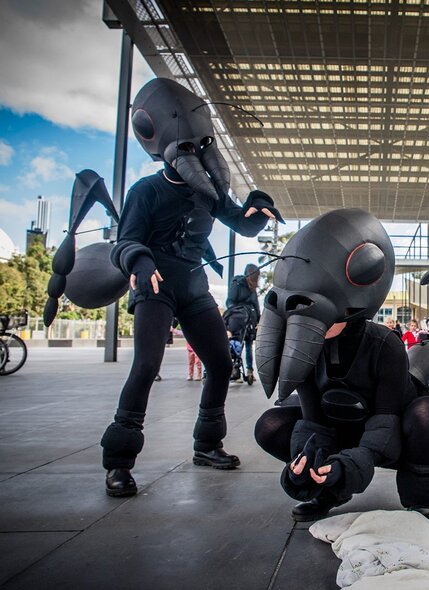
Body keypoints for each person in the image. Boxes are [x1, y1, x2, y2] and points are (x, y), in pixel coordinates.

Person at [100, 78, 282, 497]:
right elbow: (124, 242)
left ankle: (207, 445)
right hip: (155, 286)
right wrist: (140, 260)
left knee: (219, 362)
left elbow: (242, 223)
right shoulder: (145, 191)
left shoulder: (209, 194)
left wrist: (258, 208)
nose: (196, 152)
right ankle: (118, 463)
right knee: (146, 366)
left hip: (195, 288)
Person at [253, 209, 429, 525]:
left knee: (428, 416)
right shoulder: (306, 346)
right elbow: (312, 419)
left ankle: (419, 499)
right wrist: (308, 462)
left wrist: (353, 464)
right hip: (338, 424)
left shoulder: (385, 344)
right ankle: (327, 489)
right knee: (270, 425)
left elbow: (385, 423)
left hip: (394, 429)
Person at [226, 263, 261, 383]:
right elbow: (230, 301)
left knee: (246, 346)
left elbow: (256, 306)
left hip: (248, 319)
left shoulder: (249, 287)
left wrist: (258, 320)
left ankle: (248, 370)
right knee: (240, 345)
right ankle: (239, 369)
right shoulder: (238, 283)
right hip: (239, 318)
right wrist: (236, 314)